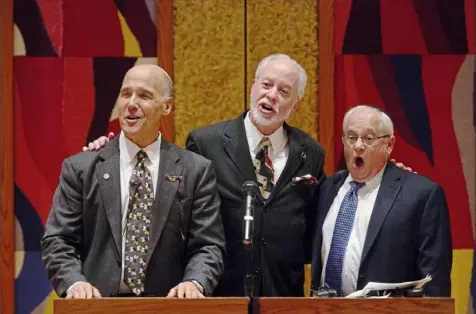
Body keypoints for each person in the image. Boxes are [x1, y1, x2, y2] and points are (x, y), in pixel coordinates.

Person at [41, 64, 226, 299]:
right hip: (98, 307)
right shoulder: (81, 168)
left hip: (168, 307)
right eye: (125, 94)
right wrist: (74, 282)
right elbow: (58, 240)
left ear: (166, 106)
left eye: (145, 96)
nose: (131, 103)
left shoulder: (195, 170)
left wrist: (195, 281)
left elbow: (208, 245)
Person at [310, 105, 452, 297]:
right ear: (343, 141)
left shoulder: (421, 194)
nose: (358, 146)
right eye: (351, 137)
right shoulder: (328, 188)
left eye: (369, 138)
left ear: (389, 145)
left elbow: (434, 282)